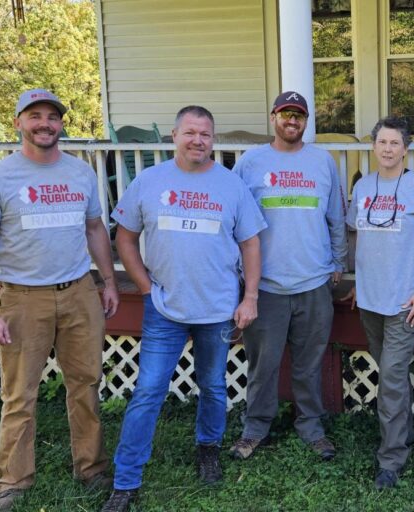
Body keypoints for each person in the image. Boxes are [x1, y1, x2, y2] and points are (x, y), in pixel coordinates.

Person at [101, 106, 266, 511]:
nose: (198, 140)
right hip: (165, 309)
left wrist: (250, 298)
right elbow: (124, 237)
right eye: (190, 132)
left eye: (206, 134)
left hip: (218, 309)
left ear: (214, 139)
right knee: (148, 392)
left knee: (212, 386)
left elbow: (251, 244)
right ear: (174, 135)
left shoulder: (231, 185)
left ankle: (207, 448)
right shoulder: (150, 181)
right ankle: (126, 481)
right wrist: (143, 286)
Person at [0, 88, 119, 512]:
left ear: (61, 123)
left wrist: (107, 281)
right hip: (22, 299)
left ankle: (90, 468)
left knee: (85, 386)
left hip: (79, 294)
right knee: (19, 395)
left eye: (52, 116)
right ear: (18, 123)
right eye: (34, 116)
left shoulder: (81, 173)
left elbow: (94, 229)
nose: (44, 124)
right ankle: (13, 482)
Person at [230, 91, 347, 461]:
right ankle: (255, 428)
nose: (292, 121)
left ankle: (310, 426)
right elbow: (233, 218)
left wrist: (338, 263)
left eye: (299, 115)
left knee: (308, 364)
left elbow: (335, 216)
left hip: (313, 282)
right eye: (285, 114)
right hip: (264, 285)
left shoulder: (322, 161)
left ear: (306, 121)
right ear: (273, 118)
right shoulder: (250, 162)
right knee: (263, 365)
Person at [343, 116, 414, 489]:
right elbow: (358, 237)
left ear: (405, 149)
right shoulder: (363, 187)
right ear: (374, 147)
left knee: (389, 377)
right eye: (381, 142)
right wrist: (358, 282)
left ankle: (390, 459)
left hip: (406, 301)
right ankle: (402, 434)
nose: (387, 149)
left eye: (394, 143)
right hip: (370, 300)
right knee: (393, 375)